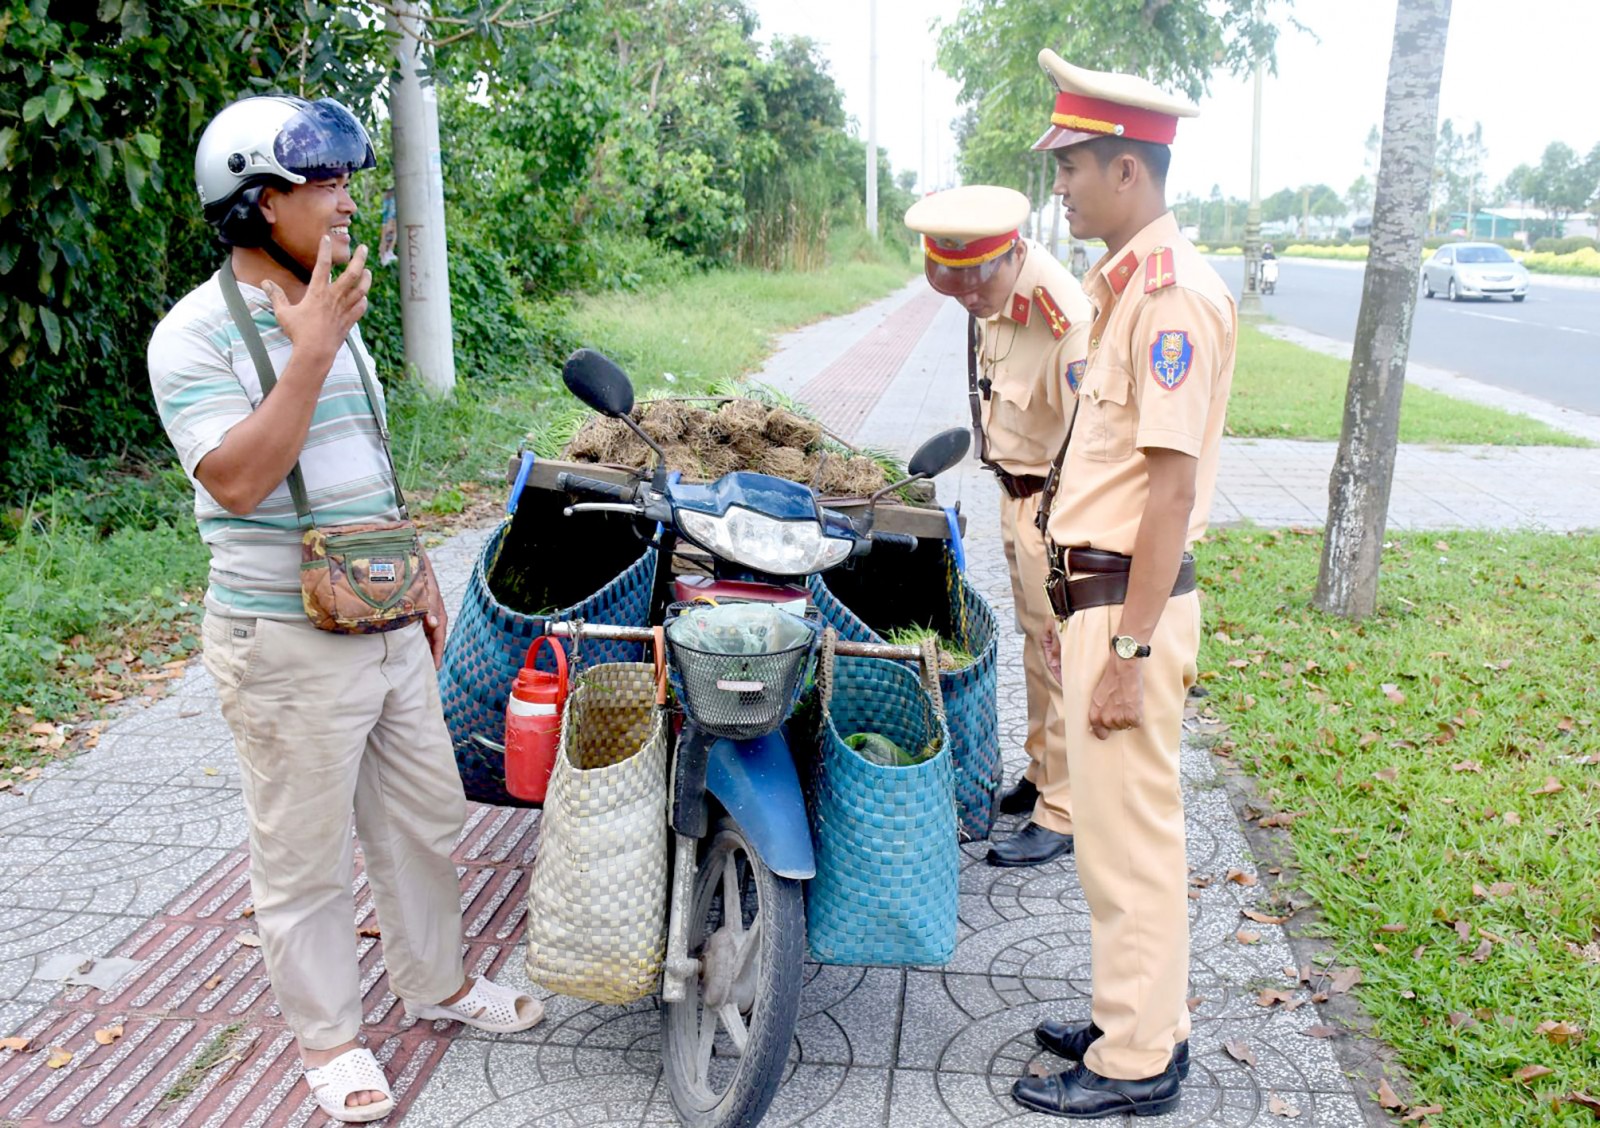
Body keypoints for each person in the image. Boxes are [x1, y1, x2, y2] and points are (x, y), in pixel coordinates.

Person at [147, 95, 541, 1124]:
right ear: (257, 201)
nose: (346, 200)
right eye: (324, 184)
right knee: (302, 850)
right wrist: (311, 348)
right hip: (281, 639)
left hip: (378, 617)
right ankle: (329, 1042)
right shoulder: (193, 335)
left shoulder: (331, 311)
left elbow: (360, 467)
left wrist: (418, 575)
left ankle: (439, 986)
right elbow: (235, 478)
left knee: (421, 819)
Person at [1010, 52, 1237, 1119]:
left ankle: (1136, 1062)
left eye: (1072, 167)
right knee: (1117, 837)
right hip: (1098, 600)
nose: (1059, 186)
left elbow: (1167, 491)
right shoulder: (1126, 290)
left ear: (1128, 175)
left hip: (1128, 605)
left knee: (1129, 843)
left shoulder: (1171, 298)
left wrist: (1131, 653)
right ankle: (1139, 1013)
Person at [903, 185, 1092, 868]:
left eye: (975, 286)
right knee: (1036, 646)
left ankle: (1066, 810)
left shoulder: (1061, 317)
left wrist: (1063, 532)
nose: (968, 302)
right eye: (952, 289)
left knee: (1061, 657)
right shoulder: (984, 292)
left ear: (1008, 253)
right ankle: (1044, 773)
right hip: (1016, 497)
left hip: (1058, 505)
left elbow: (1092, 443)